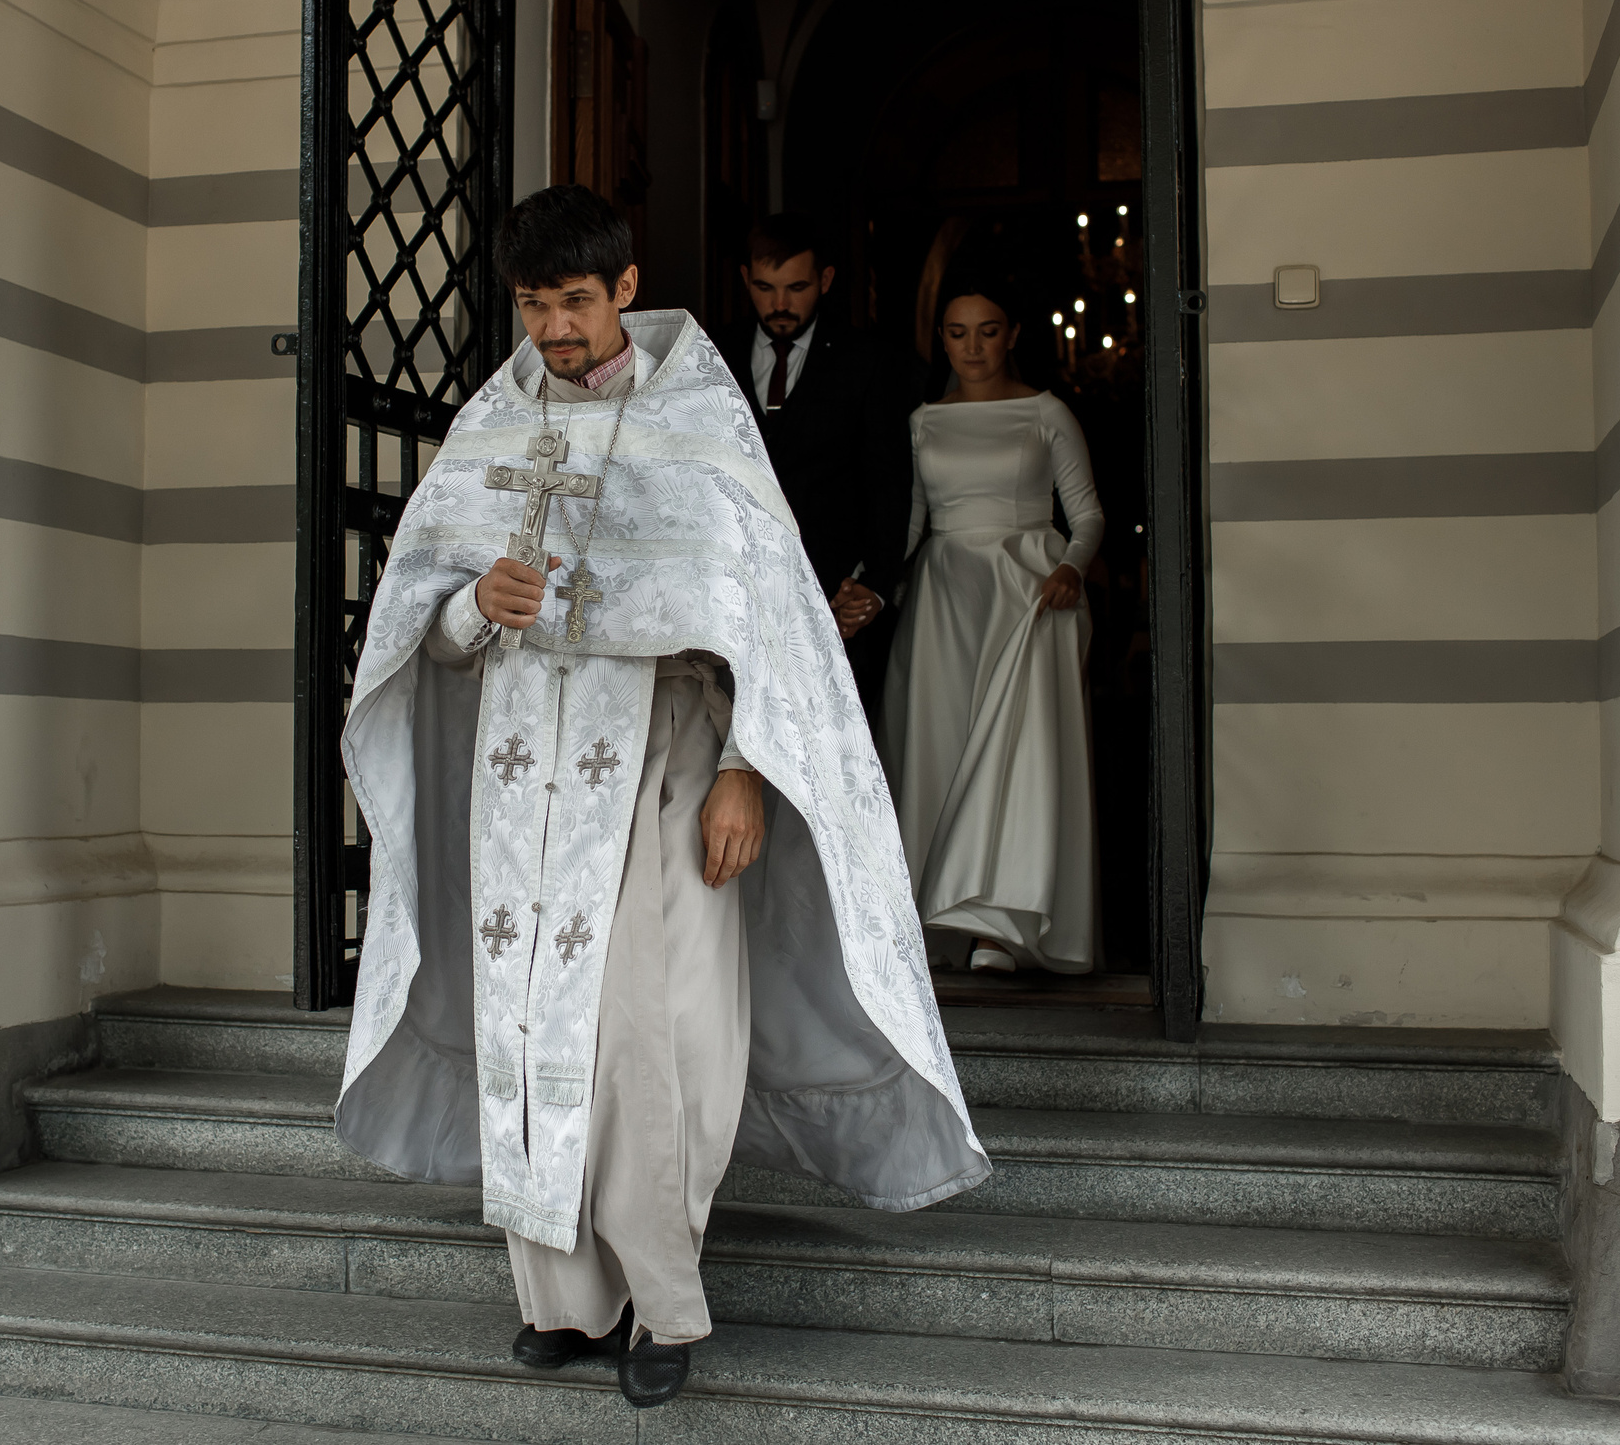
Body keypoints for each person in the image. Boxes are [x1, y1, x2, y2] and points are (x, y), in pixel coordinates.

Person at [332, 186, 987, 1409]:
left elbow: (768, 620)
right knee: (533, 1031)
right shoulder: (494, 421)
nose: (553, 330)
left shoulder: (701, 420)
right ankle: (562, 1300)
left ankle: (663, 1309)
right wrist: (480, 609)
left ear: (626, 288)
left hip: (671, 761)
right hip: (525, 776)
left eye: (574, 303)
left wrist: (744, 772)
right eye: (533, 306)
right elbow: (426, 618)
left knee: (656, 1038)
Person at [881, 283, 1106, 975]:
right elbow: (912, 520)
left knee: (1016, 750)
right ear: (941, 338)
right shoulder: (923, 420)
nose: (971, 346)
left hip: (1028, 590)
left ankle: (1000, 923)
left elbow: (1089, 515)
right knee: (941, 744)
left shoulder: (1046, 413)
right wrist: (875, 588)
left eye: (986, 331)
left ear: (1012, 334)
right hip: (945, 594)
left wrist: (1070, 566)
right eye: (956, 332)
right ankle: (936, 922)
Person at [714, 217, 916, 716]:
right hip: (730, 600)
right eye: (765, 287)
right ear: (745, 280)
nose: (780, 303)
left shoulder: (867, 362)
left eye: (796, 287)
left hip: (829, 601)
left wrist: (874, 583)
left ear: (824, 281)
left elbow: (889, 486)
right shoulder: (713, 354)